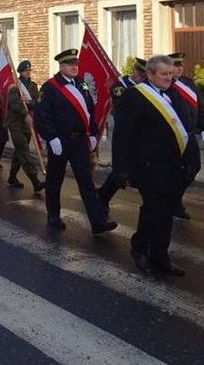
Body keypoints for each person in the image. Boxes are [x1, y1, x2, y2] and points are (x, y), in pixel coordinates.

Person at [112, 54, 187, 274]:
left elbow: (182, 128)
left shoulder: (172, 94)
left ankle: (160, 255)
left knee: (167, 212)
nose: (168, 78)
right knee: (153, 210)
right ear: (150, 74)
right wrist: (120, 169)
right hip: (148, 166)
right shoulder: (134, 96)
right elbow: (122, 134)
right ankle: (140, 249)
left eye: (171, 74)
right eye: (164, 74)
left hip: (172, 164)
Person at [36, 49, 116, 235]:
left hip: (79, 141)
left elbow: (89, 109)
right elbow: (42, 115)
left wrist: (93, 132)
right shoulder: (50, 87)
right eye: (70, 64)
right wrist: (51, 138)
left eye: (76, 64)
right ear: (61, 65)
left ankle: (97, 222)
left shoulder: (81, 84)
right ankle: (53, 215)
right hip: (60, 141)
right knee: (55, 180)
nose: (74, 67)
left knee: (86, 181)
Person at [97, 57, 147, 215]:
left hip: (142, 134)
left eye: (143, 75)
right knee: (122, 170)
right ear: (133, 71)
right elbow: (119, 107)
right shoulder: (120, 87)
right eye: (138, 73)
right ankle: (104, 196)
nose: (140, 77)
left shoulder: (145, 87)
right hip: (126, 133)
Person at [168, 52, 204, 220]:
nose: (179, 69)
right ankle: (173, 203)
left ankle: (175, 199)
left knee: (194, 167)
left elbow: (200, 106)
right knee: (174, 170)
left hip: (190, 134)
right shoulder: (166, 86)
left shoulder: (188, 84)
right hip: (174, 136)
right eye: (175, 65)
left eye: (181, 66)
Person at [5, 60, 45, 193]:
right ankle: (35, 181)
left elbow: (36, 102)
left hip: (27, 124)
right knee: (24, 150)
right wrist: (25, 113)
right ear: (20, 72)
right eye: (25, 70)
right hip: (15, 123)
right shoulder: (15, 86)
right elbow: (14, 103)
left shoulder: (33, 86)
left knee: (19, 152)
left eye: (29, 70)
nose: (28, 72)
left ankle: (11, 177)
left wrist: (29, 103)